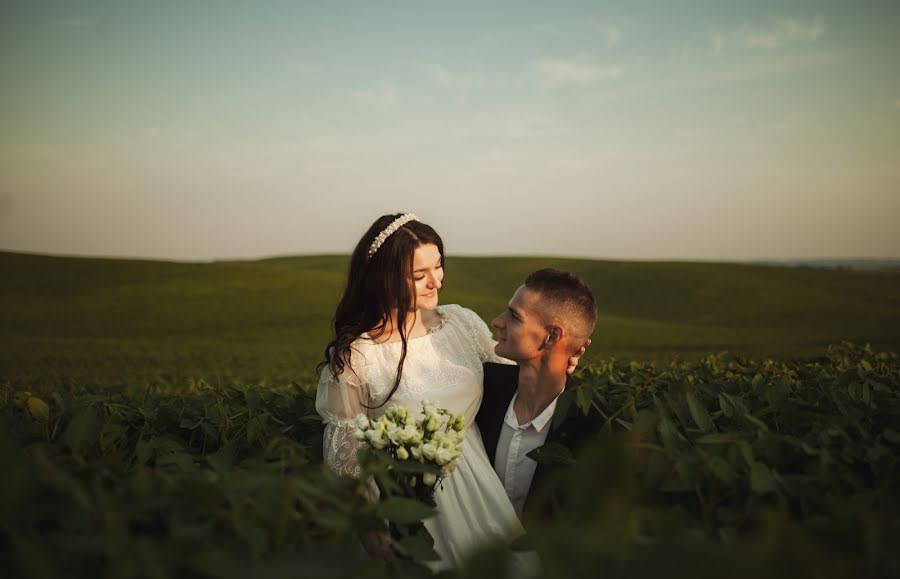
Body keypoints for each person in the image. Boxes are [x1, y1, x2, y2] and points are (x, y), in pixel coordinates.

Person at [315, 214, 585, 570]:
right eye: (419, 275)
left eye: (438, 266)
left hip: (479, 484)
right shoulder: (356, 357)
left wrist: (557, 359)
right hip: (408, 500)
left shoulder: (461, 323)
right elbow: (345, 461)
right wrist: (372, 532)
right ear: (384, 279)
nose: (435, 281)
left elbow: (517, 373)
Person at [476, 268, 604, 528]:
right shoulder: (481, 387)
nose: (497, 321)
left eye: (514, 316)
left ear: (552, 336)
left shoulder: (593, 427)